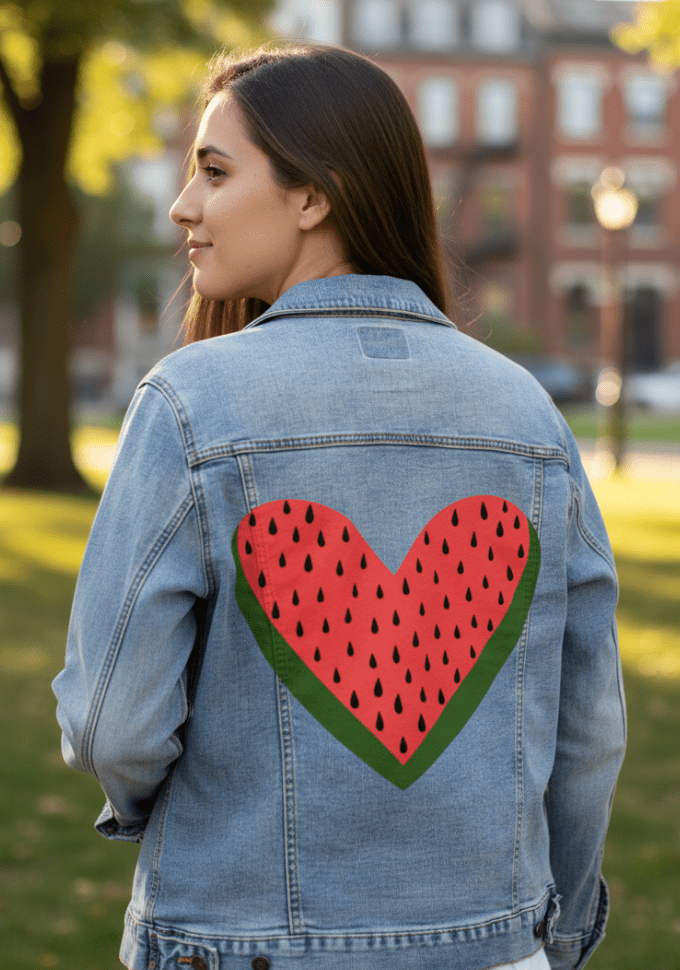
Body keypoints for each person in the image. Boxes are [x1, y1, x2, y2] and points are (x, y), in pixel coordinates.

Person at [53, 43, 625, 970]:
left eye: (214, 170)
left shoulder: (189, 403)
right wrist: (548, 937)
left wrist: (152, 809)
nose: (182, 205)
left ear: (314, 196)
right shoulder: (530, 413)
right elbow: (590, 731)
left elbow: (116, 721)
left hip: (237, 944)